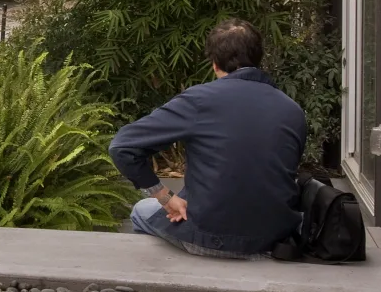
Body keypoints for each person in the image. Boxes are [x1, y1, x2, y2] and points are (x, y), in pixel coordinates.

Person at [108, 18, 305, 259]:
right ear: (258, 58)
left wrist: (164, 197)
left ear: (214, 64)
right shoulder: (292, 109)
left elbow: (122, 146)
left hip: (210, 236)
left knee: (141, 209)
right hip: (276, 239)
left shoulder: (200, 100)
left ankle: (167, 279)